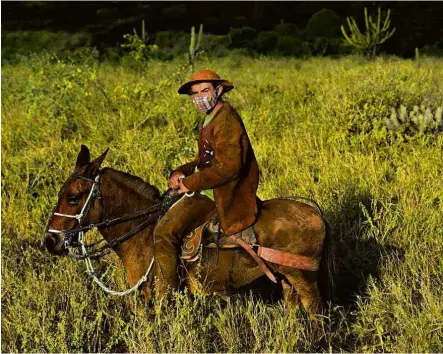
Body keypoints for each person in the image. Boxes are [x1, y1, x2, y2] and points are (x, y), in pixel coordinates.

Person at [154, 69, 261, 304]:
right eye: (195, 94)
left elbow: (229, 167)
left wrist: (189, 184)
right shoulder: (211, 118)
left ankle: (169, 299)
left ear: (218, 90)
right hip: (208, 186)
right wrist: (183, 172)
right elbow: (206, 160)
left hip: (221, 191)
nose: (200, 97)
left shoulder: (227, 120)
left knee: (164, 233)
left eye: (205, 91)